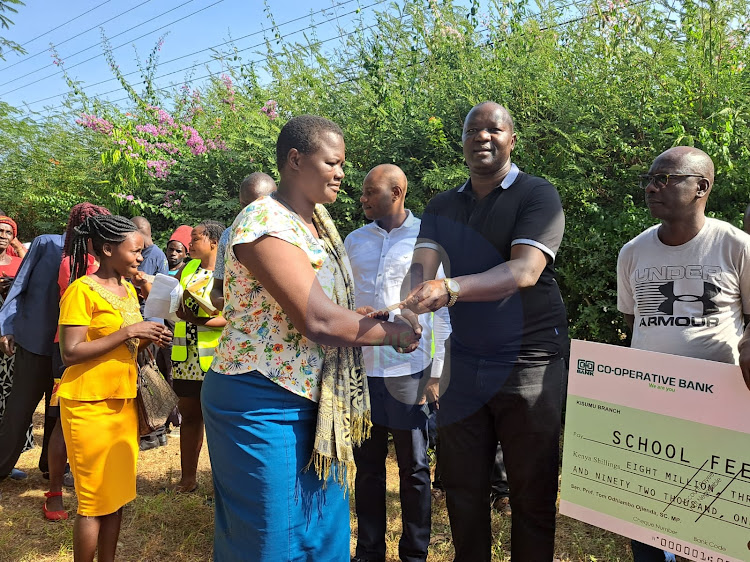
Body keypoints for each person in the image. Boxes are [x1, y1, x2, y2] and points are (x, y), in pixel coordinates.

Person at [201, 115, 421, 561]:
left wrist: (356, 314)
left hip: (315, 400)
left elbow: (321, 305)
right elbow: (317, 321)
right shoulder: (263, 222)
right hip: (261, 401)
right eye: (332, 162)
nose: (342, 173)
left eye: (342, 164)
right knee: (273, 540)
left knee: (322, 535)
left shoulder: (315, 225)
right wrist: (394, 333)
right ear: (296, 160)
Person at [401, 101, 568, 561]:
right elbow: (421, 267)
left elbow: (524, 271)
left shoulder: (537, 195)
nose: (482, 137)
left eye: (493, 129)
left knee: (530, 489)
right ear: (462, 142)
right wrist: (409, 308)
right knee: (462, 485)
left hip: (530, 359)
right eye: (472, 130)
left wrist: (449, 288)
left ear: (512, 139)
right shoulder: (442, 204)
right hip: (467, 357)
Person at [618, 147, 750, 562]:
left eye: (666, 178)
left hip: (720, 412)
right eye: (650, 179)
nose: (652, 187)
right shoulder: (633, 252)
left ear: (701, 188)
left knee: (710, 525)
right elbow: (633, 321)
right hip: (651, 407)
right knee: (646, 516)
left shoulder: (735, 246)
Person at [345, 164, 450, 562]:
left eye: (371, 192)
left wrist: (436, 373)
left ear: (398, 192)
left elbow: (442, 311)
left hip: (411, 371)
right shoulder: (353, 241)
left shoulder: (428, 239)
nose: (363, 198)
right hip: (364, 369)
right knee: (367, 467)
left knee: (415, 468)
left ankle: (414, 554)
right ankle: (369, 551)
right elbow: (339, 298)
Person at [58, 214, 171, 561]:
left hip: (123, 403)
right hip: (88, 406)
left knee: (118, 495)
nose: (140, 258)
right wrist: (128, 333)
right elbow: (70, 352)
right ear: (107, 249)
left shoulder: (126, 292)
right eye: (135, 251)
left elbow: (125, 346)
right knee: (93, 501)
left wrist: (150, 339)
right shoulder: (81, 290)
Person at [45, 203, 111, 520]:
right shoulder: (78, 266)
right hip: (73, 356)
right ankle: (55, 491)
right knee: (62, 425)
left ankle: (75, 486)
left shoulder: (79, 262)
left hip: (100, 354)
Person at [0, 225, 66, 482]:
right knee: (19, 408)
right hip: (34, 343)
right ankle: (2, 467)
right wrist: (6, 326)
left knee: (57, 409)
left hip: (67, 350)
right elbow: (19, 285)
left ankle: (53, 466)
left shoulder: (96, 255)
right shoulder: (46, 244)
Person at [170, 220, 226, 493]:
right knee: (189, 416)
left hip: (215, 358)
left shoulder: (229, 271)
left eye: (195, 239)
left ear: (214, 242)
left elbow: (232, 317)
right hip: (186, 355)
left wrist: (198, 320)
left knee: (219, 422)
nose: (189, 244)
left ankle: (222, 484)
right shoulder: (188, 268)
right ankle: (187, 479)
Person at [210, 172, 276, 311]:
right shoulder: (229, 236)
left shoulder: (287, 233)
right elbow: (216, 289)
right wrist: (230, 304)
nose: (250, 213)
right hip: (241, 326)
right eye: (246, 206)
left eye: (258, 207)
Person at [131, 216, 170, 451]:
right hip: (151, 322)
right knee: (150, 377)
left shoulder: (150, 255)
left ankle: (153, 432)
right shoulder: (158, 254)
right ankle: (158, 432)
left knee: (146, 379)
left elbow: (141, 285)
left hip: (146, 323)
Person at [0, 215, 30, 481]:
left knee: (9, 398)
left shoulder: (20, 264)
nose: (2, 235)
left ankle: (6, 461)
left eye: (8, 231)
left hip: (10, 338)